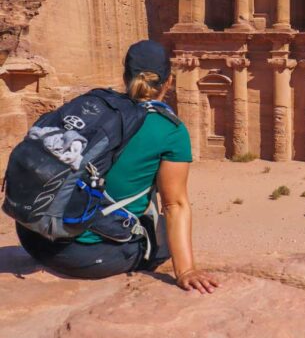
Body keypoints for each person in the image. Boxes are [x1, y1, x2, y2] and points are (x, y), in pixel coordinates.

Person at [16, 40, 218, 294]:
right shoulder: (170, 130)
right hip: (78, 256)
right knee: (161, 234)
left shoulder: (94, 105)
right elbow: (174, 204)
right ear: (169, 82)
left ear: (125, 76)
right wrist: (186, 270)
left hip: (31, 236)